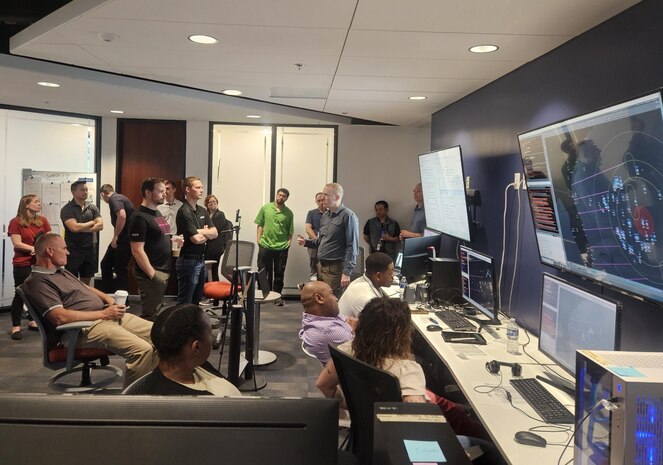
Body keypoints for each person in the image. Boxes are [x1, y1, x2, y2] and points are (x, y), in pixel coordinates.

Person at [316, 298, 502, 464]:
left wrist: (358, 406)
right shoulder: (407, 370)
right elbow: (418, 427)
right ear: (401, 333)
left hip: (365, 440)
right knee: (492, 448)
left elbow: (323, 384)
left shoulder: (347, 350)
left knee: (455, 408)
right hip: (396, 449)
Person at [21, 233, 157, 387]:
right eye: (64, 248)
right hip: (83, 329)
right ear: (50, 251)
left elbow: (85, 287)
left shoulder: (61, 272)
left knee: (160, 335)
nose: (68, 252)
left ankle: (154, 387)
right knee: (142, 350)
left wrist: (107, 299)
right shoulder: (37, 282)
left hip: (105, 317)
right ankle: (134, 401)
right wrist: (104, 314)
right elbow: (59, 317)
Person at [136, 304, 241, 395]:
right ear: (196, 347)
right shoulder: (198, 406)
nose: (212, 339)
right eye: (209, 334)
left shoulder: (197, 365)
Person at [297, 183, 359, 296]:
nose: (322, 197)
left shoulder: (348, 216)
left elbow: (352, 246)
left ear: (337, 197)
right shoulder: (326, 215)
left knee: (333, 303)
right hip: (321, 266)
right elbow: (321, 241)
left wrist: (346, 272)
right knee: (321, 301)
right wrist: (306, 242)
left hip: (335, 269)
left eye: (326, 195)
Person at [7, 195, 51, 340]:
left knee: (37, 294)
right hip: (22, 263)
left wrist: (40, 249)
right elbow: (17, 243)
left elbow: (48, 239)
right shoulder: (15, 222)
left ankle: (33, 322)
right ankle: (16, 327)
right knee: (21, 294)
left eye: (40, 201)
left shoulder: (43, 221)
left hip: (39, 263)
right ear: (26, 205)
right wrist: (34, 248)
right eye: (36, 202)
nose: (40, 204)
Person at [128, 177, 172, 320]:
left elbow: (160, 235)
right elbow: (137, 250)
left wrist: (174, 240)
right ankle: (145, 341)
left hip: (163, 269)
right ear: (148, 192)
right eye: (160, 191)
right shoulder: (139, 217)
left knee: (156, 310)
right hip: (152, 272)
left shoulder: (157, 212)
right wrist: (153, 275)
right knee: (150, 315)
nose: (165, 194)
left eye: (165, 191)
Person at [176, 176, 217, 304]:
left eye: (202, 187)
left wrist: (199, 231)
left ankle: (193, 324)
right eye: (198, 187)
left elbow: (215, 233)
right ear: (187, 189)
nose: (201, 190)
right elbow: (195, 239)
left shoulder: (202, 210)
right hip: (188, 261)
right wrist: (205, 233)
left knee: (196, 299)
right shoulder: (184, 211)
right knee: (185, 301)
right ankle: (180, 324)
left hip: (200, 260)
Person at [299, 281, 355, 365]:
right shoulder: (328, 329)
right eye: (331, 294)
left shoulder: (322, 316)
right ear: (319, 298)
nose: (336, 298)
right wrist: (354, 329)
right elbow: (364, 349)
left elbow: (349, 320)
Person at [60, 180, 103, 284]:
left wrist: (83, 228)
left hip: (89, 250)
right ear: (73, 192)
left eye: (86, 189)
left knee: (86, 282)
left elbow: (101, 225)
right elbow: (74, 228)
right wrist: (92, 222)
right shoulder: (67, 209)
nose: (85, 192)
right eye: (82, 190)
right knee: (71, 282)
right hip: (73, 251)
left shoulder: (92, 207)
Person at [255, 188, 294, 304]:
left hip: (281, 247)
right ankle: (263, 295)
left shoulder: (289, 213)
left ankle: (277, 297)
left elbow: (290, 230)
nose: (281, 197)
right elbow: (260, 224)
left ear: (286, 198)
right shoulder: (265, 208)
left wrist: (289, 243)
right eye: (279, 195)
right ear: (276, 195)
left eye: (284, 196)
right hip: (265, 245)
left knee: (279, 273)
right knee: (262, 271)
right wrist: (259, 239)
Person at [99, 184, 135, 292]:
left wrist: (115, 236)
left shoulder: (114, 199)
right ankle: (109, 294)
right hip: (125, 237)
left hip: (125, 238)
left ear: (102, 194)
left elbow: (122, 216)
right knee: (106, 263)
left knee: (119, 267)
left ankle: (123, 300)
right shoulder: (120, 198)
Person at [338, 252, 394, 318]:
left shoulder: (360, 281)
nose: (393, 276)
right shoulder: (366, 299)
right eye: (391, 272)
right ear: (378, 276)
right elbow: (377, 327)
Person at [204, 194, 232, 282]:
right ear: (206, 204)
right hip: (208, 245)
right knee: (208, 269)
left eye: (214, 201)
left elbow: (215, 230)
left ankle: (214, 289)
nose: (212, 203)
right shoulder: (206, 215)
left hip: (216, 247)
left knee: (213, 269)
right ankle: (208, 289)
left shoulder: (220, 215)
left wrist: (205, 231)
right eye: (210, 202)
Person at [304, 192, 326, 277]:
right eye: (319, 201)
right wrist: (317, 240)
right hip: (314, 245)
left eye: (323, 200)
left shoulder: (331, 213)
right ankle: (313, 288)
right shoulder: (311, 213)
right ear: (316, 202)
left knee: (325, 268)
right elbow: (308, 228)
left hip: (326, 245)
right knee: (313, 268)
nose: (321, 202)